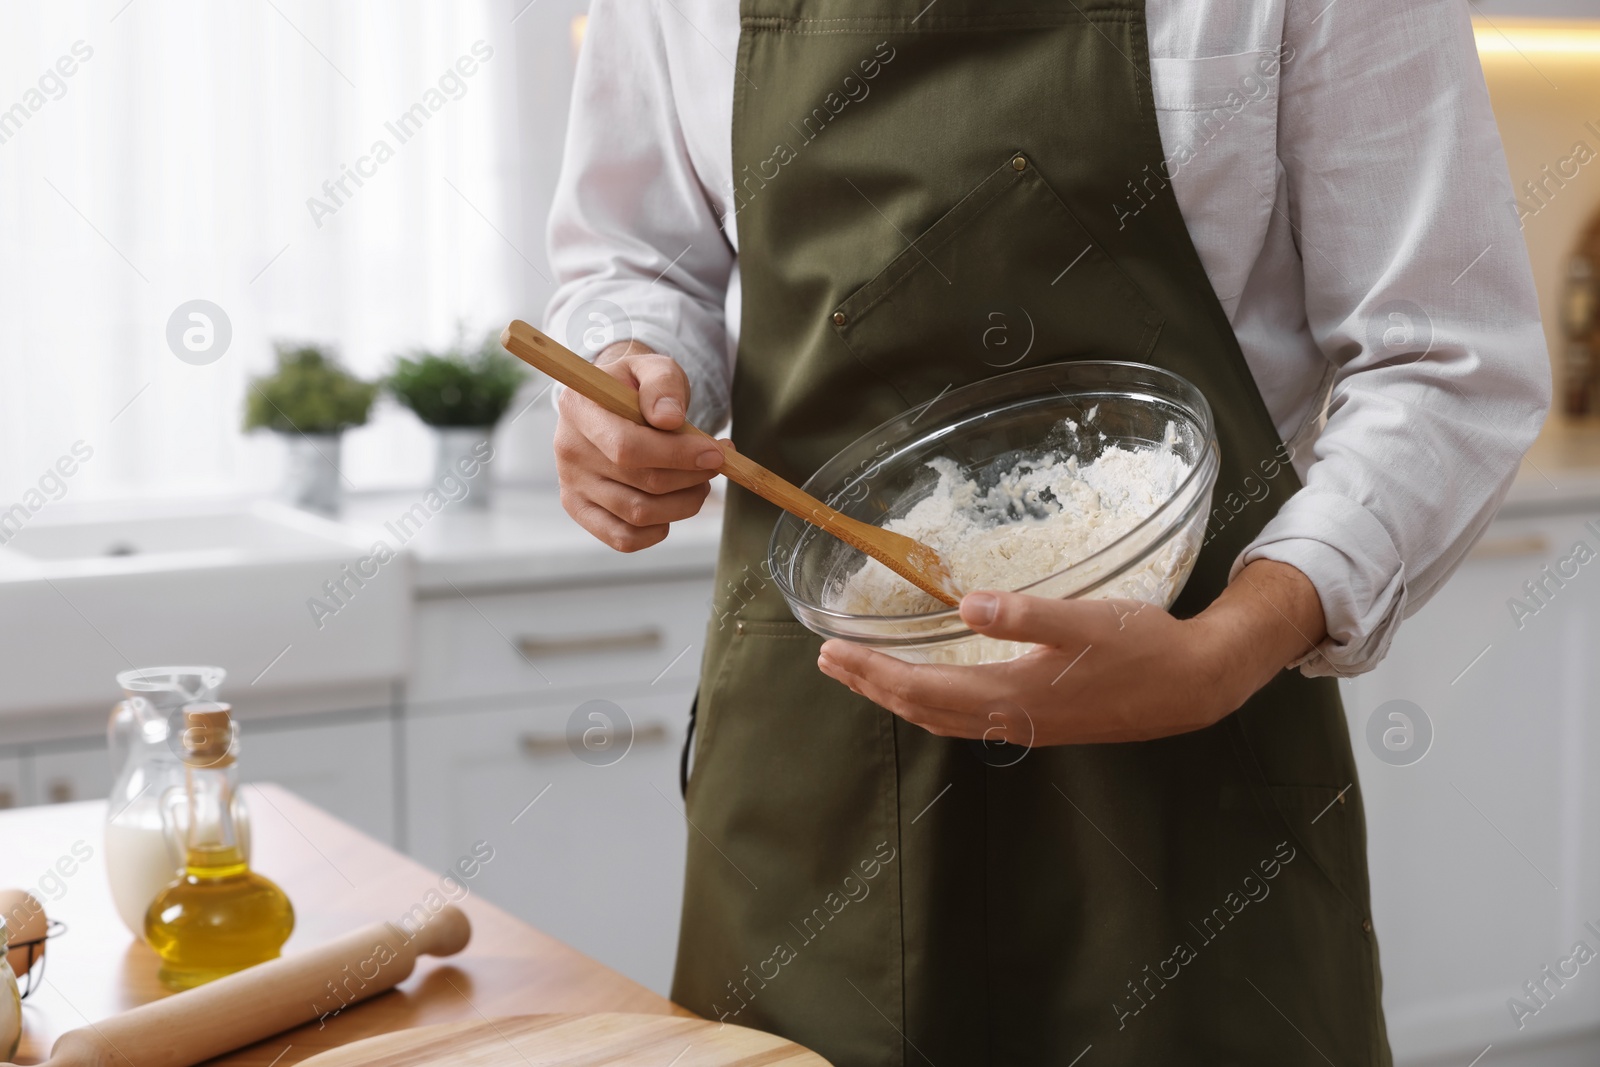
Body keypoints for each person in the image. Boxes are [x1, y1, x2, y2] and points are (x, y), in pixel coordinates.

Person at [543, 1, 1550, 1063]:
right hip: (812, 757)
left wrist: (1235, 641)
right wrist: (629, 371)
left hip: (1190, 737)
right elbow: (635, 259)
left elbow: (1445, 360)